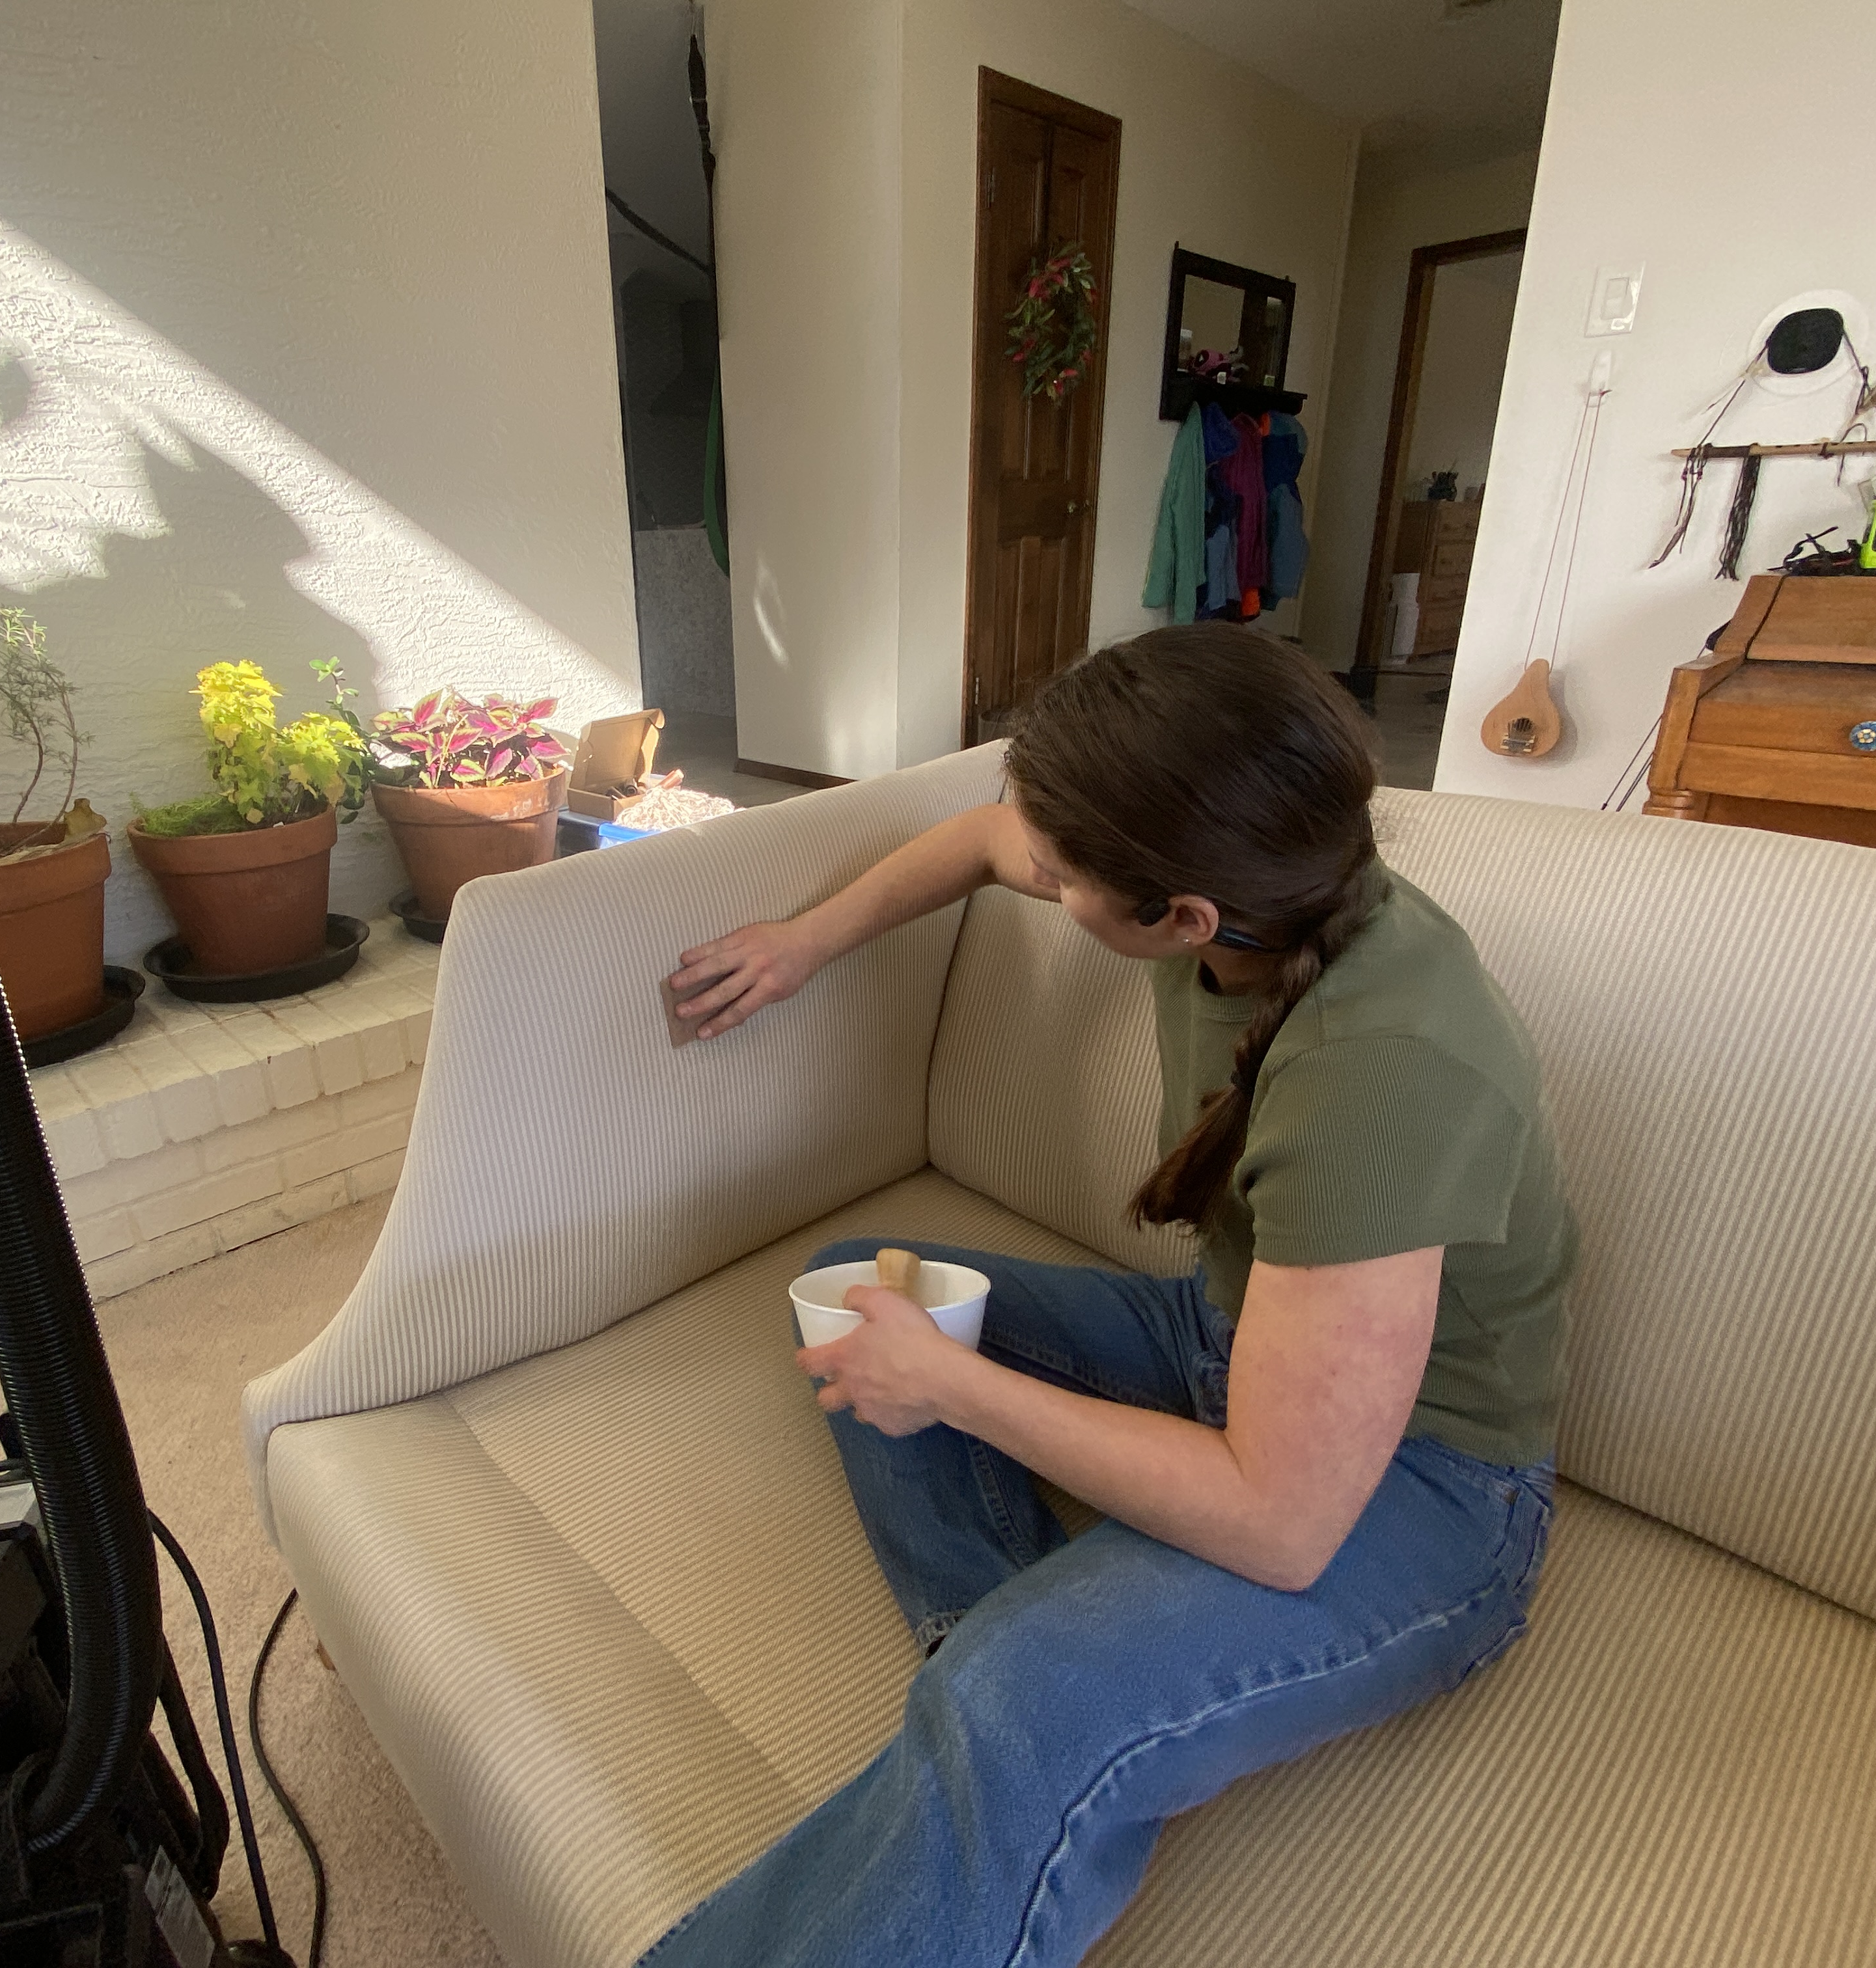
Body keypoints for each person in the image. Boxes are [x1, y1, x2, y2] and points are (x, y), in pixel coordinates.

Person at [644, 625, 1574, 1968]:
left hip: (1423, 1493)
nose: (1041, 872)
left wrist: (956, 1388)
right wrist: (801, 942)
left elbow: (1282, 1523)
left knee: (1023, 1692)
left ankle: (1024, 1696)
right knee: (858, 1285)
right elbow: (985, 842)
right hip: (1226, 1344)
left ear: (1180, 919)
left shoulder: (1383, 1073)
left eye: (1068, 873)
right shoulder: (1259, 879)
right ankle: (1013, 1653)